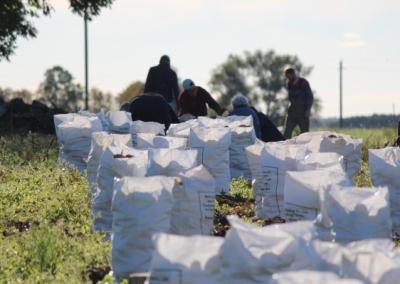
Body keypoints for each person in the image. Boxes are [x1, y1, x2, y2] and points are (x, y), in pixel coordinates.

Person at [283, 68, 314, 139]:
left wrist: (308, 109)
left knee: (305, 134)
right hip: (292, 113)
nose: (287, 78)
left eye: (288, 76)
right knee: (287, 132)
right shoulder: (289, 84)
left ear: (293, 74)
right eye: (286, 77)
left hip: (303, 113)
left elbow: (310, 97)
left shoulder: (303, 83)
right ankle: (284, 148)